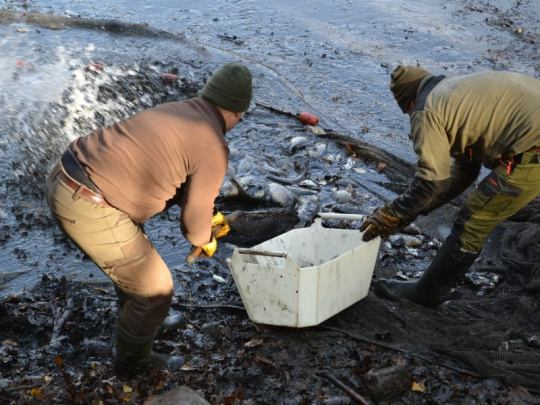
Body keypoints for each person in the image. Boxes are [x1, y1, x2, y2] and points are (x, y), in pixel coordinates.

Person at [45, 62, 253, 374]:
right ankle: (133, 364)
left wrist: (205, 216)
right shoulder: (214, 146)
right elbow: (193, 228)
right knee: (156, 291)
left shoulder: (179, 109)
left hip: (64, 174)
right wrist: (206, 238)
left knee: (135, 270)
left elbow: (178, 179)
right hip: (90, 205)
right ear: (238, 111)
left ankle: (144, 324)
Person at [360, 65, 540, 307]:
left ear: (410, 103)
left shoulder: (425, 112)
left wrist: (390, 215)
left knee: (472, 222)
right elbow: (465, 170)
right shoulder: (455, 93)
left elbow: (432, 182)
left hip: (532, 149)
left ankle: (426, 294)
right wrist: (414, 211)